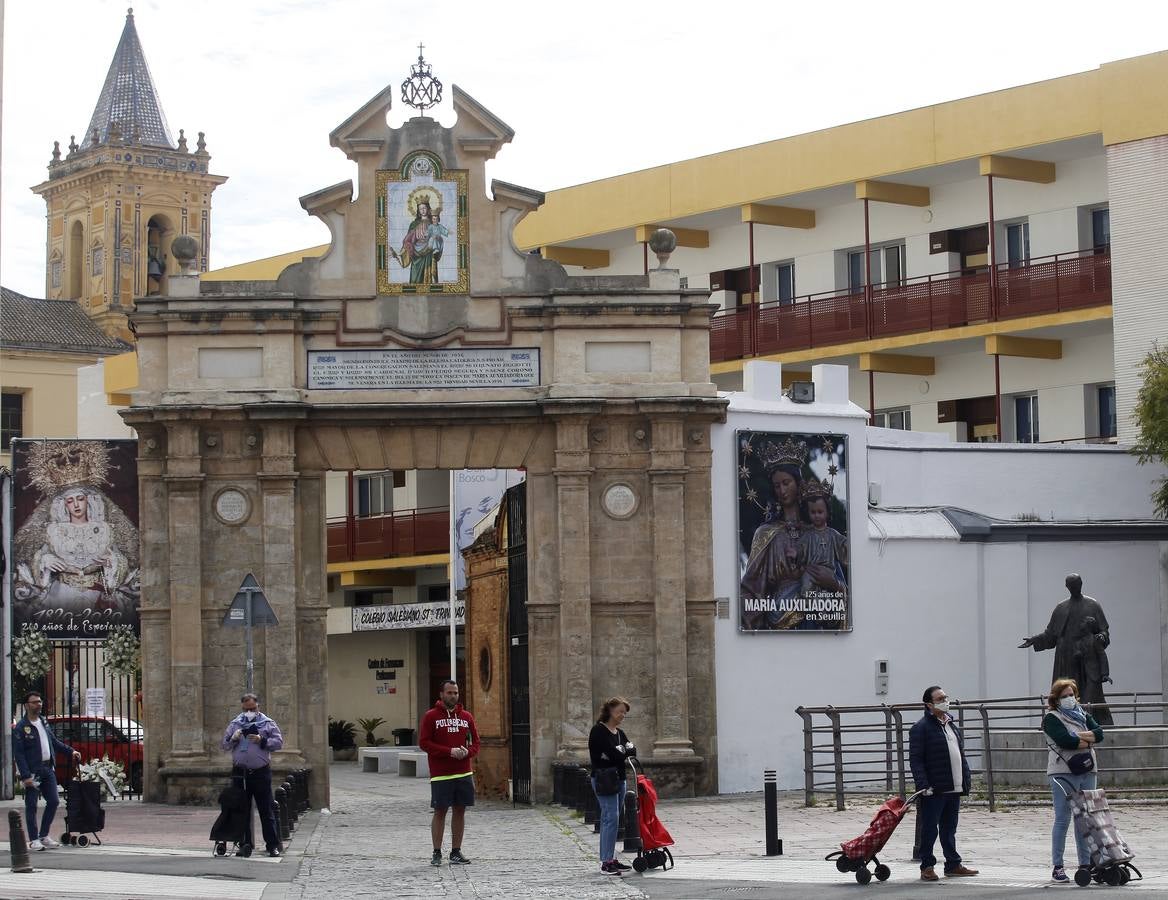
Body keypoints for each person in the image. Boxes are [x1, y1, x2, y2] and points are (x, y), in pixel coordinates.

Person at [1019, 574, 1113, 725]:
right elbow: (1051, 635)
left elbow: (1103, 630)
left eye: (1077, 584)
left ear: (1081, 584)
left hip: (1087, 656)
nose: (1075, 588)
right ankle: (1060, 721)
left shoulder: (1093, 605)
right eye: (1071, 585)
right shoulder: (1061, 608)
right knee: (1064, 691)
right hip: (1066, 656)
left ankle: (1095, 723)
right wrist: (1035, 640)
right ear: (1067, 587)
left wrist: (1102, 636)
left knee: (1091, 694)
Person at [908, 686, 979, 881]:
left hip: (954, 785)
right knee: (930, 828)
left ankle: (953, 864)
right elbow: (916, 760)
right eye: (940, 698)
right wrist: (923, 785)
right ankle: (927, 865)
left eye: (946, 697)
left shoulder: (950, 725)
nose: (945, 700)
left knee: (949, 828)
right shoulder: (920, 728)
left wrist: (965, 779)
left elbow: (959, 754)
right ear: (929, 704)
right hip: (934, 788)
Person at [31, 484, 132, 613]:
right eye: (70, 501)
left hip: (97, 590)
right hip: (62, 591)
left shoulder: (104, 529)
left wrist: (112, 561)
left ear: (88, 500)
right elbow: (40, 557)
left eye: (80, 499)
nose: (76, 505)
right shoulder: (54, 530)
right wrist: (45, 560)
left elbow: (119, 558)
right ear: (65, 505)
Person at [1044, 678, 1104, 883]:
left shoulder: (1083, 714)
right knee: (1063, 818)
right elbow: (1065, 741)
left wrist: (1080, 737)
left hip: (1088, 769)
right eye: (1064, 696)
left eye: (1072, 694)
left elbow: (1100, 734)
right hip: (1063, 772)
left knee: (1086, 820)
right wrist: (1087, 740)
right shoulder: (1052, 718)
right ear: (1056, 699)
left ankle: (1085, 864)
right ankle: (1058, 866)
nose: (1069, 698)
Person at [419, 680, 480, 867]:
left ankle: (455, 852)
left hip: (463, 772)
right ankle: (436, 852)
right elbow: (424, 743)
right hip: (441, 773)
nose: (453, 696)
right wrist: (449, 751)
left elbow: (476, 743)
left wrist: (466, 752)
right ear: (441, 694)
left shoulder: (467, 717)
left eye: (455, 693)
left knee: (460, 810)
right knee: (440, 811)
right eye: (449, 692)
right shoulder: (431, 717)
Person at [12, 691, 82, 851]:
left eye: (40, 701)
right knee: (31, 805)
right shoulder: (22, 727)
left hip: (47, 768)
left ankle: (44, 835)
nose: (39, 704)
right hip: (33, 771)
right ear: (27, 705)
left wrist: (70, 751)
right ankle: (34, 839)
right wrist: (25, 775)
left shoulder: (43, 722)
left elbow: (53, 742)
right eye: (35, 702)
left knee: (54, 801)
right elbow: (19, 753)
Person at [220, 692, 284, 857]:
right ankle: (245, 845)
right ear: (242, 708)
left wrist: (261, 740)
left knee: (266, 810)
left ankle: (272, 845)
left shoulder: (267, 723)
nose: (250, 711)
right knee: (242, 811)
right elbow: (225, 745)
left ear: (258, 707)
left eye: (252, 708)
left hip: (260, 773)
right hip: (240, 773)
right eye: (246, 709)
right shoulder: (236, 723)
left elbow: (278, 743)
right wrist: (233, 738)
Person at [588, 697, 636, 876]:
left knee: (616, 819)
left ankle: (611, 858)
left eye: (624, 712)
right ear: (609, 711)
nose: (622, 715)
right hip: (604, 778)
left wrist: (621, 753)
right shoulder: (598, 731)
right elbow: (609, 755)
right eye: (619, 711)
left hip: (620, 778)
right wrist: (621, 752)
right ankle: (605, 862)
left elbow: (630, 752)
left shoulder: (619, 733)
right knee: (610, 817)